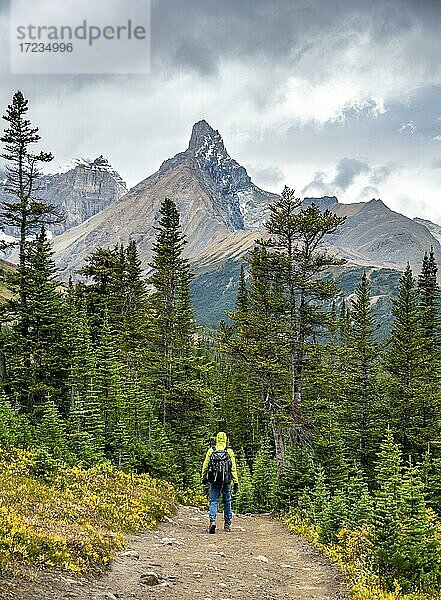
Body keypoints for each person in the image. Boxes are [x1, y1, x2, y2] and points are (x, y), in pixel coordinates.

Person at [201, 431, 239, 533]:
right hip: (226, 480)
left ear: (217, 439)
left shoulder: (211, 450)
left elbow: (205, 465)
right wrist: (236, 482)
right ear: (225, 440)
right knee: (227, 501)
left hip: (214, 480)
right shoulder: (229, 451)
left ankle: (212, 521)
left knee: (213, 501)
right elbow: (233, 468)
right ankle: (227, 524)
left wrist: (203, 478)